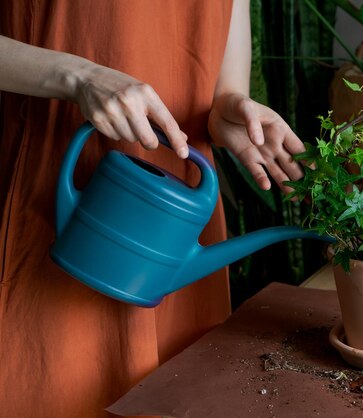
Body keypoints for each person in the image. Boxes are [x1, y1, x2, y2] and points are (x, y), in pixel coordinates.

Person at [0, 0, 305, 416]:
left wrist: (227, 108)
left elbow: (220, 86)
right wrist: (79, 76)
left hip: (178, 230)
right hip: (61, 211)